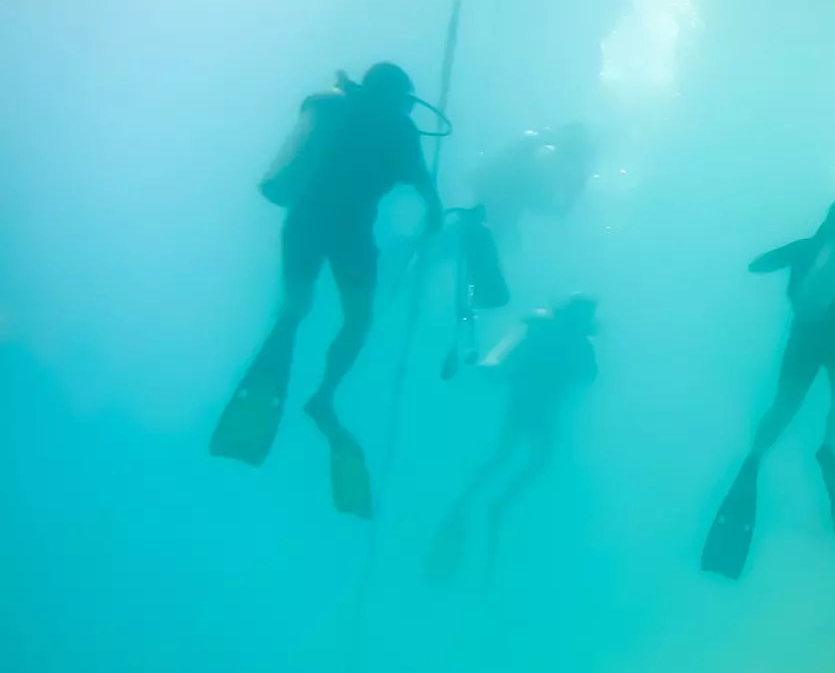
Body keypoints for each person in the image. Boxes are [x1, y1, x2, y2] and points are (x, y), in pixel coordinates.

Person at [210, 64, 443, 518]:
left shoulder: (339, 108)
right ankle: (324, 396)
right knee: (358, 320)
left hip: (305, 222)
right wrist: (433, 216)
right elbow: (424, 189)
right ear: (401, 97)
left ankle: (278, 352)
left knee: (294, 308)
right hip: (351, 234)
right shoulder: (400, 129)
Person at [701, 198, 835, 579]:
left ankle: (755, 456)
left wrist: (809, 250)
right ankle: (829, 449)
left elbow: (758, 264)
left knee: (785, 403)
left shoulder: (811, 246)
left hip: (805, 336)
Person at [427, 296, 599, 583]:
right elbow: (586, 376)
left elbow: (509, 356)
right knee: (523, 458)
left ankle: (480, 499)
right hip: (537, 407)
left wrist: (497, 368)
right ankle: (490, 501)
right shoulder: (559, 336)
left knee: (514, 457)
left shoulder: (548, 331)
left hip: (531, 405)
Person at [471, 123, 596, 246]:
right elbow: (556, 209)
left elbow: (558, 209)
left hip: (499, 204)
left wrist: (573, 191)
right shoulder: (532, 148)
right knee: (501, 240)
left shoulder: (540, 151)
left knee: (503, 241)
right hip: (495, 201)